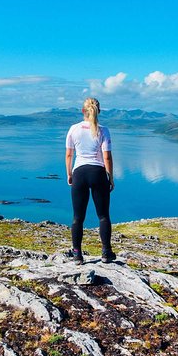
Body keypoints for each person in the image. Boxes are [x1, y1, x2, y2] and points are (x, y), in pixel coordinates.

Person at [65, 97, 116, 265]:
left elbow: (69, 155)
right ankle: (106, 253)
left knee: (77, 218)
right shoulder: (104, 130)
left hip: (79, 173)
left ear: (82, 111)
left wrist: (69, 174)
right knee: (103, 216)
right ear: (98, 111)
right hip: (98, 174)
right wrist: (111, 177)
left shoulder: (73, 129)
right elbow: (107, 157)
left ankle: (77, 255)